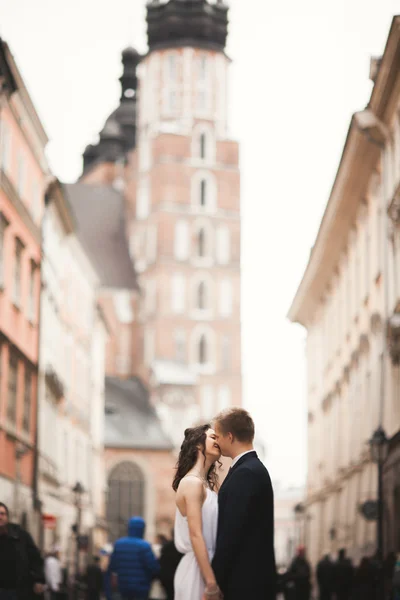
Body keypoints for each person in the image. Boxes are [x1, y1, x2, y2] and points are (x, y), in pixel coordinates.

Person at [211, 408, 276, 600]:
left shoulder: (246, 473)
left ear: (229, 437)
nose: (216, 442)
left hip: (244, 582)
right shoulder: (250, 469)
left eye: (218, 436)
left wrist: (215, 579)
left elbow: (232, 531)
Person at [173, 424, 221, 600]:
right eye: (212, 437)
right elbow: (195, 535)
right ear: (198, 445)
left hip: (205, 566)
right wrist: (211, 583)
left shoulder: (204, 484)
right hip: (196, 571)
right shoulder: (192, 483)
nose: (218, 440)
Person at [0, 502, 46, 600]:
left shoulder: (20, 535)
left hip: (18, 590)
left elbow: (35, 558)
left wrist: (39, 580)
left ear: (7, 517)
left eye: (2, 514)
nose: (0, 517)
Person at [107, 516, 159, 600]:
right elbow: (153, 568)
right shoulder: (144, 546)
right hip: (141, 587)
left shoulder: (119, 544)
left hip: (123, 587)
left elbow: (112, 567)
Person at [158, 533, 182, 600]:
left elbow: (160, 562)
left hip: (166, 578)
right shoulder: (183, 548)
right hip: (178, 577)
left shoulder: (166, 546)